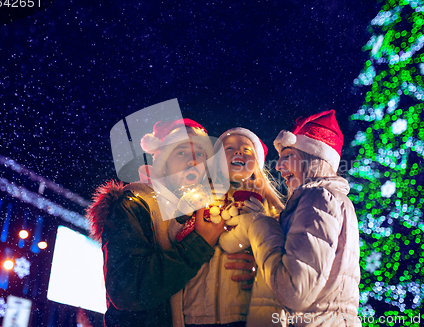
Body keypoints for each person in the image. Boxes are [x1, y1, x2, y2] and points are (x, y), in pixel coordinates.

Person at [87, 118, 230, 327]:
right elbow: (128, 289)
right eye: (181, 152)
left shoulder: (210, 211)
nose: (193, 160)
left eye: (200, 153)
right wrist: (198, 244)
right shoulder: (135, 203)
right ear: (163, 161)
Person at [247, 110, 361, 326]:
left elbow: (294, 291)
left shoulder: (318, 198)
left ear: (313, 159)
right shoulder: (334, 201)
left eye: (287, 157)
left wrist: (260, 224)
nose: (278, 166)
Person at [169, 127, 284, 327]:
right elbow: (172, 235)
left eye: (247, 149)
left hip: (243, 312)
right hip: (195, 310)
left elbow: (279, 254)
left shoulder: (268, 208)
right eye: (228, 148)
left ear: (257, 164)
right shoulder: (198, 196)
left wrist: (260, 270)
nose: (238, 151)